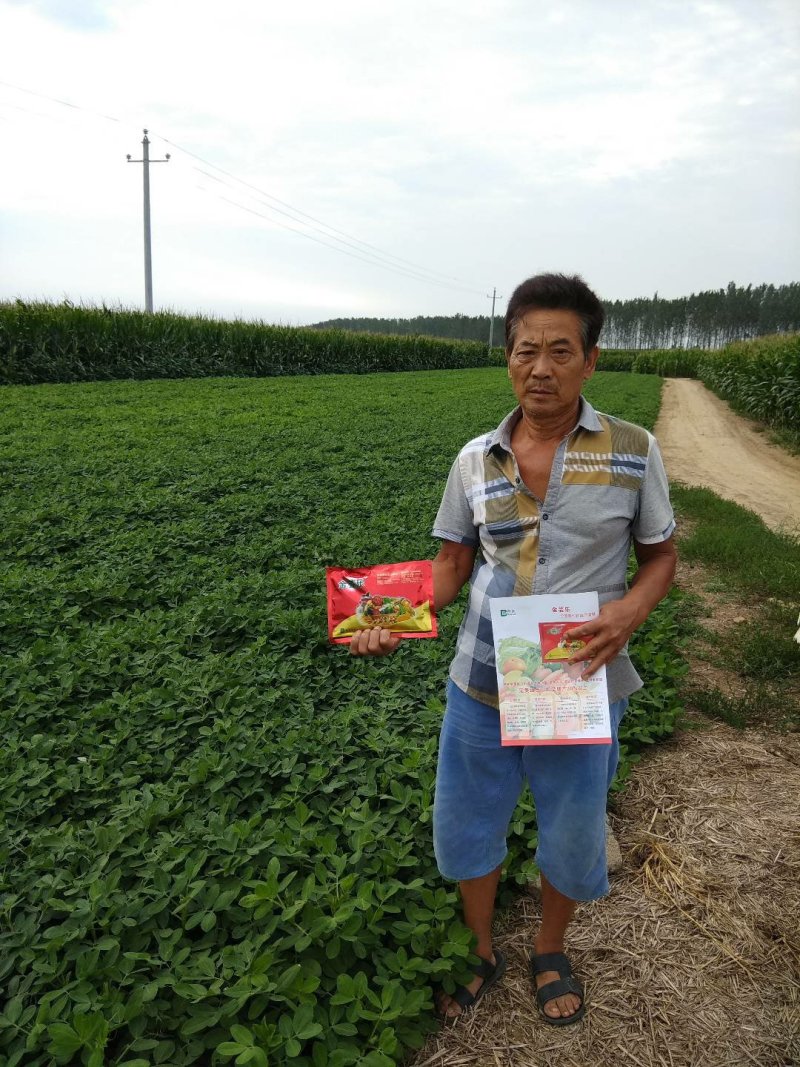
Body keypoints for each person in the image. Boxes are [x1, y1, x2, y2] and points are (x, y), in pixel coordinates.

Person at [349, 273, 676, 1026]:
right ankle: (480, 946)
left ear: (591, 360)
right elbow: (450, 566)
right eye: (527, 350)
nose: (542, 367)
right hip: (481, 676)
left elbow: (661, 556)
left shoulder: (632, 450)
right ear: (507, 358)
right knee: (466, 820)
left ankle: (551, 946)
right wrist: (386, 618)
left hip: (572, 673)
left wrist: (627, 611)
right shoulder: (475, 459)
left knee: (571, 822)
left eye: (561, 351)